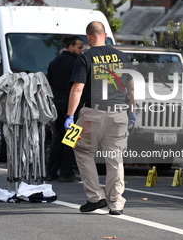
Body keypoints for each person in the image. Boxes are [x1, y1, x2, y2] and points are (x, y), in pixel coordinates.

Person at [64, 21, 136, 215]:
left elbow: (77, 88)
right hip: (119, 113)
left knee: (80, 148)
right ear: (105, 35)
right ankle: (117, 203)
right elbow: (131, 86)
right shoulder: (122, 56)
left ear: (88, 37)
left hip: (92, 114)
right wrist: (132, 110)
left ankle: (95, 197)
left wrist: (70, 116)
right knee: (115, 158)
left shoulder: (85, 57)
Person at [46, 35, 84, 182]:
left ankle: (51, 171)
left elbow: (49, 84)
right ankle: (66, 172)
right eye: (80, 47)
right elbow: (78, 86)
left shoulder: (54, 62)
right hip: (70, 104)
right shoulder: (76, 63)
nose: (82, 50)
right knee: (70, 139)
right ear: (71, 47)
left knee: (57, 138)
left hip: (56, 102)